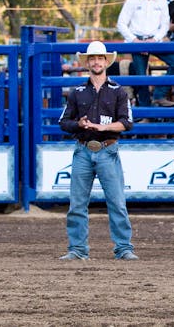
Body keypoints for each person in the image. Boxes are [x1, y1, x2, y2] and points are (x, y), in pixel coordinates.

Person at [57, 41, 137, 261]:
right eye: (92, 58)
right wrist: (79, 125)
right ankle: (78, 248)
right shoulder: (77, 92)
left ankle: (122, 248)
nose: (96, 62)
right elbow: (64, 122)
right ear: (88, 63)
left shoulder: (118, 92)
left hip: (106, 148)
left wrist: (103, 127)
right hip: (85, 149)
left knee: (117, 202)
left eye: (99, 58)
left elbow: (127, 123)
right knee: (77, 203)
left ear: (105, 61)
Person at [116, 0, 174, 107]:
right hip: (137, 40)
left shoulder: (161, 1)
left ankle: (159, 94)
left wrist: (155, 39)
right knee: (141, 77)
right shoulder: (133, 1)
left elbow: (165, 24)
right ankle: (146, 110)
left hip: (155, 40)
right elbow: (121, 23)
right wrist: (135, 41)